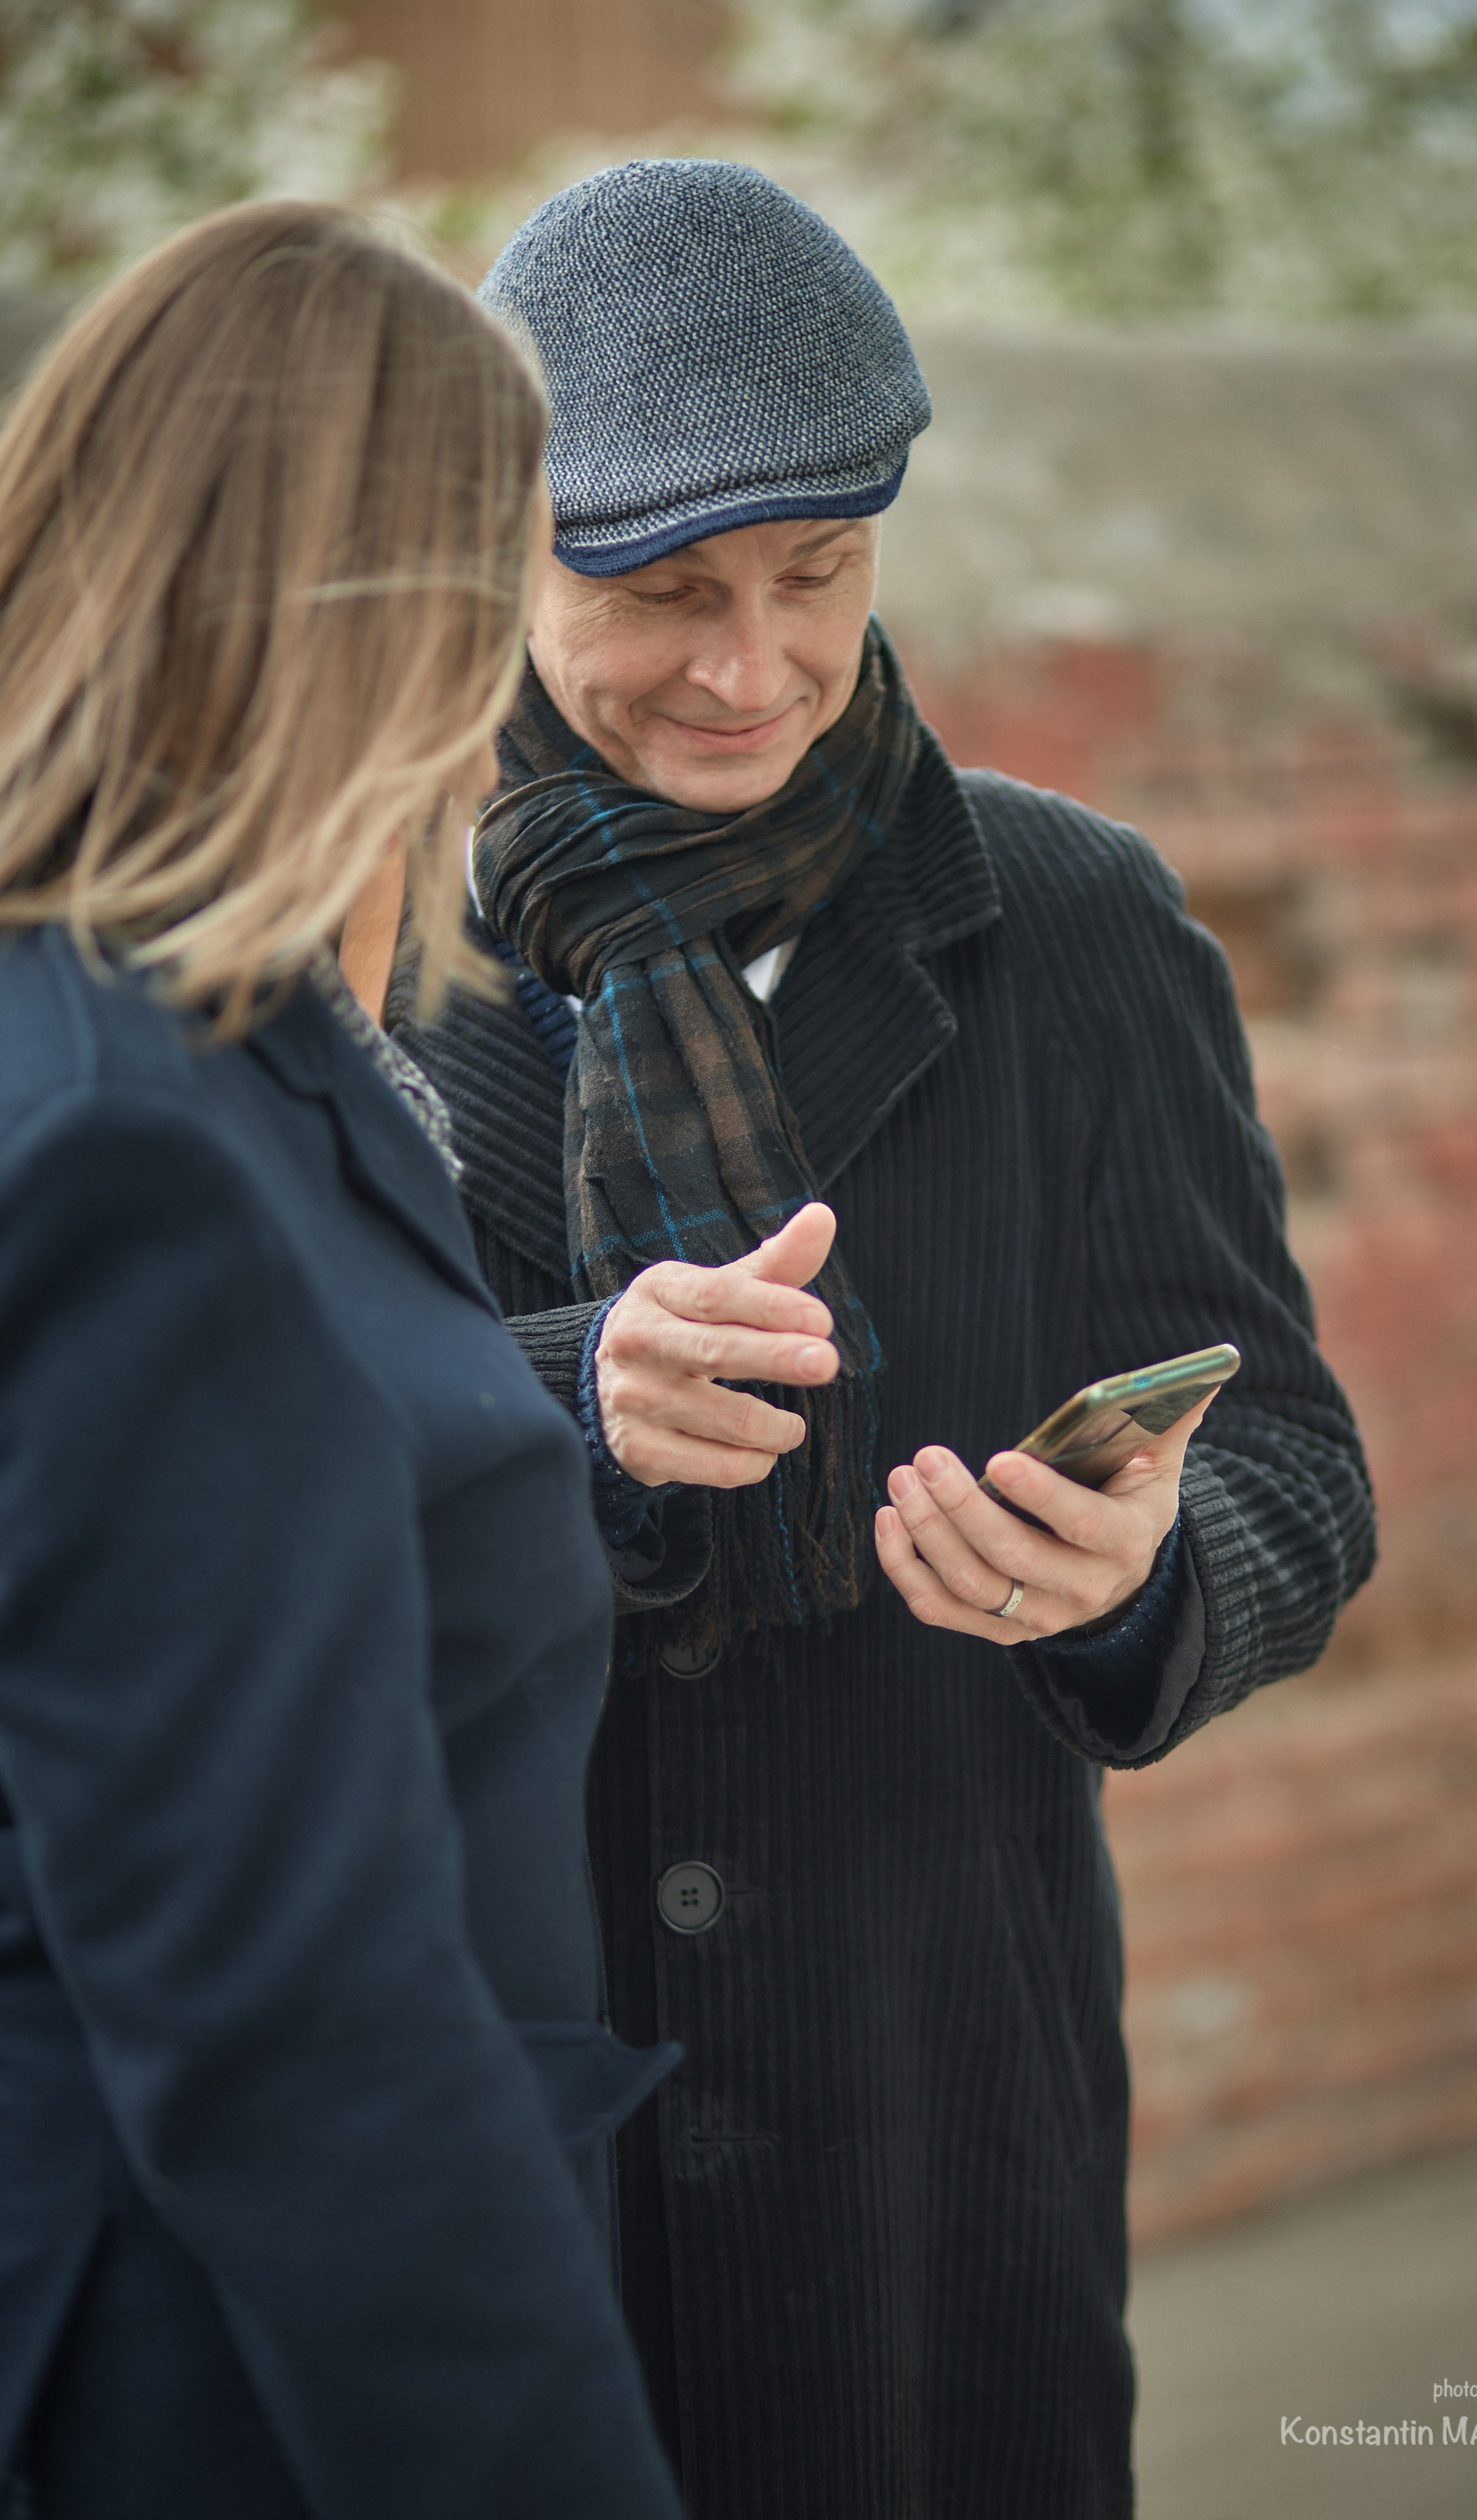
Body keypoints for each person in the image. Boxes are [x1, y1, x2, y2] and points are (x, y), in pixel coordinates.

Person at [396, 159, 1378, 2520]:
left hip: (936, 2123)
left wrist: (1138, 1569)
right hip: (485, 2096)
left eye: (818, 580)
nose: (750, 667)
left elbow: (1303, 1481)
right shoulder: (339, 935)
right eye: (660, 595)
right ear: (495, 571)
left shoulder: (1073, 920)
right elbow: (192, 1482)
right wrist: (567, 1401)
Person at [0, 202, 687, 2519]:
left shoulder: (182, 1027)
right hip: (225, 2369)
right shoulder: (123, 1134)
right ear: (380, 615)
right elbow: (291, 2008)